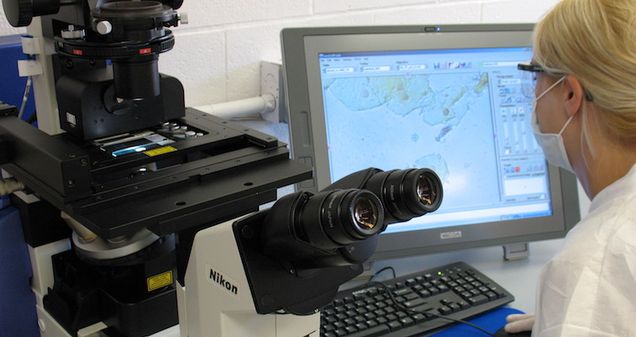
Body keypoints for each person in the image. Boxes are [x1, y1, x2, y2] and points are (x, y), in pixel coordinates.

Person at [508, 0, 636, 335]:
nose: (533, 94)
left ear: (569, 94)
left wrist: (582, 311)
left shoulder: (594, 262)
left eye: (535, 74)